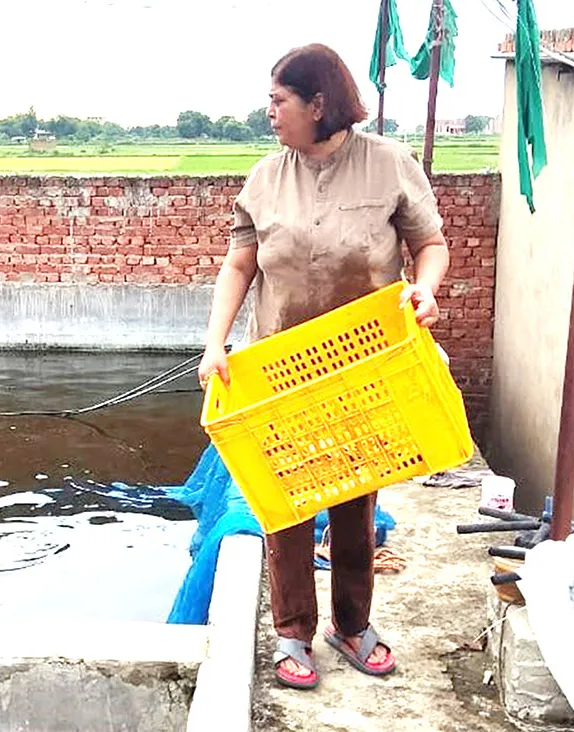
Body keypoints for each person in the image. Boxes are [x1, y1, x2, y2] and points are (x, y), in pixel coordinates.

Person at [196, 43, 450, 690]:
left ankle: (352, 624)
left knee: (355, 502)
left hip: (363, 366)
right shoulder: (264, 178)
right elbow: (239, 264)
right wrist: (215, 343)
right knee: (284, 507)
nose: (269, 111)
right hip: (280, 367)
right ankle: (292, 634)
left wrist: (425, 288)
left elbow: (430, 245)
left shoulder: (389, 166)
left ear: (319, 103)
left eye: (279, 100)